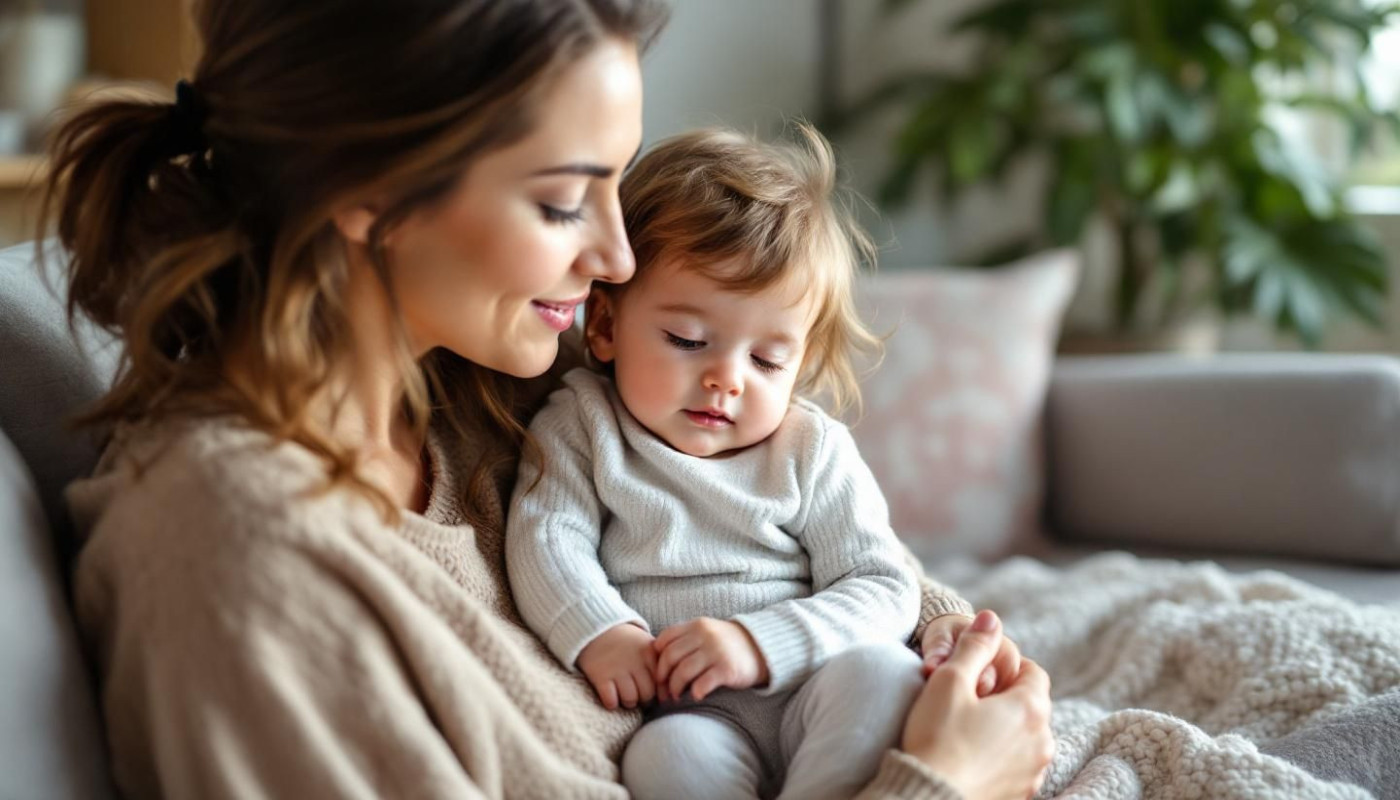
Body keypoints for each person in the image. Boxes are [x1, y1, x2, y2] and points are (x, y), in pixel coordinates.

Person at [38, 0, 1054, 798]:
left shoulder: (489, 379)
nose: (616, 258)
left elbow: (815, 529)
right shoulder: (241, 556)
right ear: (368, 189)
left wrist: (951, 644)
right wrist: (943, 782)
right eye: (564, 201)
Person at [508, 125, 954, 800]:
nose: (728, 379)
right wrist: (602, 631)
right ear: (604, 325)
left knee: (887, 676)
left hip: (814, 685)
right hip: (699, 714)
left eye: (768, 360)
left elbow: (883, 584)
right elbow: (546, 537)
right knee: (662, 758)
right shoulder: (583, 424)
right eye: (688, 340)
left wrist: (759, 643)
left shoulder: (809, 448)